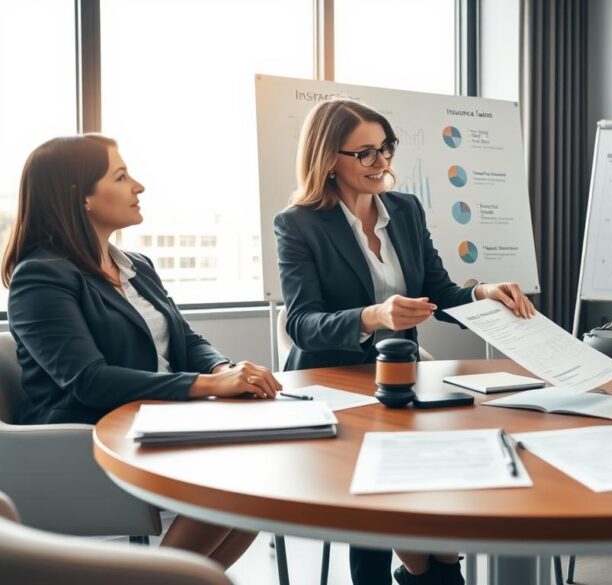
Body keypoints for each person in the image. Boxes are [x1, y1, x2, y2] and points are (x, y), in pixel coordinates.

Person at [274, 99, 535, 585]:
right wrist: (373, 316)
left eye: (386, 149)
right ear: (330, 158)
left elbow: (440, 290)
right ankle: (418, 568)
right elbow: (304, 323)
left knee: (427, 497)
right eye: (366, 153)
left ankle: (426, 566)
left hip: (400, 378)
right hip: (332, 382)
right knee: (388, 504)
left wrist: (483, 293)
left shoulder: (405, 210)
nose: (382, 163)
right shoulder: (299, 223)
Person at [2, 134, 281, 568]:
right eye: (121, 175)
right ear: (82, 198)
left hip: (155, 420)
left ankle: (165, 578)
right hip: (88, 437)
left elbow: (186, 340)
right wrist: (210, 384)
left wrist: (227, 368)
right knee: (239, 476)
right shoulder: (39, 276)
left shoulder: (136, 266)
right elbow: (88, 380)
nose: (139, 186)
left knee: (261, 484)